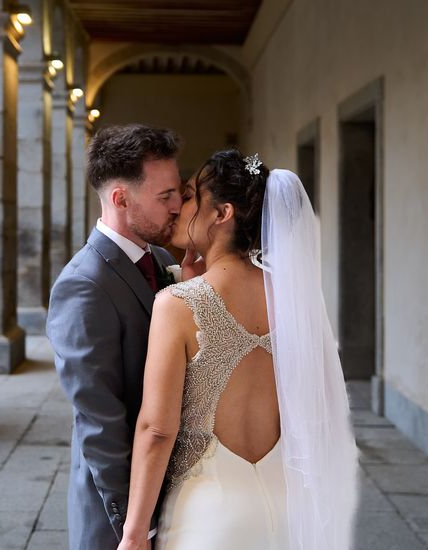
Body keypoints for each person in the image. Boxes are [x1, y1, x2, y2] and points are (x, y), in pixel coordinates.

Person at [118, 150, 360, 549]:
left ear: (222, 213)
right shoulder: (296, 299)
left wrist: (135, 532)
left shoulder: (178, 304)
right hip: (286, 512)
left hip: (209, 520)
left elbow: (157, 429)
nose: (178, 205)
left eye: (192, 195)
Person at [46, 124, 202, 549]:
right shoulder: (83, 284)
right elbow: (99, 421)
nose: (178, 206)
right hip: (119, 513)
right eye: (165, 196)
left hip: (178, 489)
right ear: (121, 198)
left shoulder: (167, 259)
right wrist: (136, 524)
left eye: (177, 193)